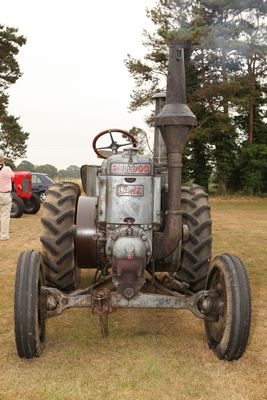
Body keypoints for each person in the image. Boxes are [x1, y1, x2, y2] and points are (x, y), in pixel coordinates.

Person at [0, 149, 15, 240]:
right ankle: (4, 236)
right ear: (3, 158)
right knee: (5, 216)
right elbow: (13, 176)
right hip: (5, 195)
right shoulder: (7, 169)